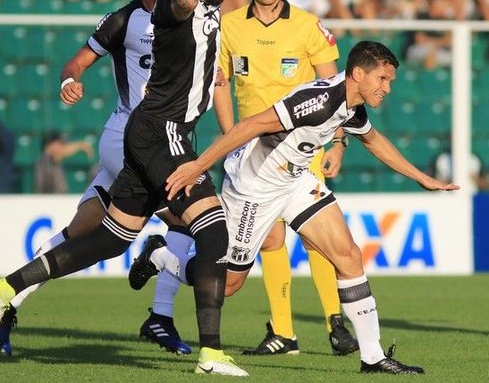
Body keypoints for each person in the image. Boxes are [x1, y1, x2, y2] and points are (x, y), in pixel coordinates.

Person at [0, 0, 251, 376]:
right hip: (158, 134)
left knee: (107, 238)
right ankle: (210, 351)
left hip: (156, 133)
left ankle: (5, 287)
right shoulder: (177, 1)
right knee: (214, 231)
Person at [132, 40, 460, 374]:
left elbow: (373, 140)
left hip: (295, 180)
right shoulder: (318, 101)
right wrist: (199, 166)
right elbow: (252, 125)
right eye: (382, 79)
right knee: (229, 284)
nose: (387, 88)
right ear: (358, 74)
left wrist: (423, 178)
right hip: (254, 186)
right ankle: (159, 255)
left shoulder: (351, 105)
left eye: (389, 81)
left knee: (348, 255)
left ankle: (373, 357)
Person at [136, 0, 359, 356]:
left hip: (301, 150)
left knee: (316, 241)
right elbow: (219, 83)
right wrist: (230, 138)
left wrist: (340, 141)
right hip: (253, 154)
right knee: (270, 242)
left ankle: (335, 322)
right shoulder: (230, 26)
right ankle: (284, 332)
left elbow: (338, 89)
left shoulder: (310, 26)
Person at [0, 0, 188, 356]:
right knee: (192, 221)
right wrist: (68, 81)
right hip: (129, 140)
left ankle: (7, 298)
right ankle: (160, 307)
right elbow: (76, 62)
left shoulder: (189, 19)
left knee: (79, 234)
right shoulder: (124, 20)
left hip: (163, 141)